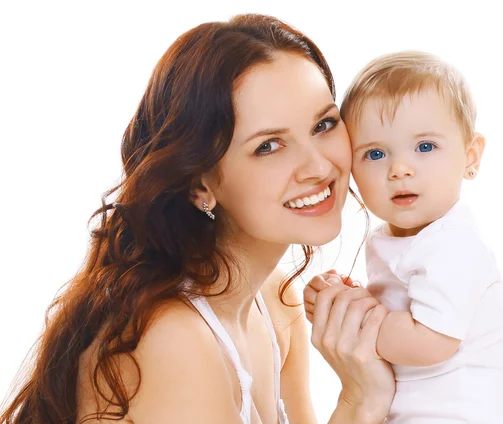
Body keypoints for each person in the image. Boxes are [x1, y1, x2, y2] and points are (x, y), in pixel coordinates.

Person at [0, 14, 395, 424]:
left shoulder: (277, 303)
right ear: (199, 184)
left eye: (324, 124)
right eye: (269, 146)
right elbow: (360, 401)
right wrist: (359, 399)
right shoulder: (176, 341)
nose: (318, 165)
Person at [305, 51, 503, 423]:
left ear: (470, 156)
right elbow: (401, 312)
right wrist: (343, 299)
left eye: (425, 147)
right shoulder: (390, 239)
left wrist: (356, 316)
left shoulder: (453, 243)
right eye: (375, 154)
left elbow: (429, 341)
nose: (400, 169)